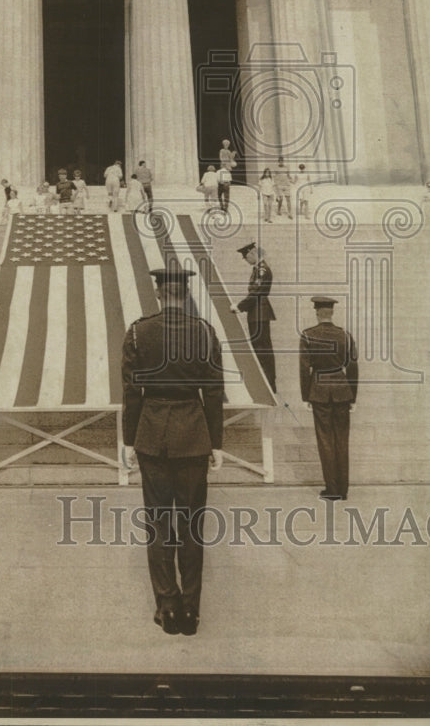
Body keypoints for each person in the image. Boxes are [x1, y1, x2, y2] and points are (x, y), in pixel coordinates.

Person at [122, 267, 224, 636]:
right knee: (192, 525)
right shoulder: (204, 332)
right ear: (185, 294)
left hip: (152, 434)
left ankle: (167, 607)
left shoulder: (139, 331)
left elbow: (132, 391)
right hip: (194, 435)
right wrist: (216, 443)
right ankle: (191, 612)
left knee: (159, 523)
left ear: (160, 294)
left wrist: (129, 440)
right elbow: (213, 391)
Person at [299, 296, 358, 502]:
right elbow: (352, 367)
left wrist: (306, 395)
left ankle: (331, 489)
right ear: (331, 313)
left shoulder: (308, 335)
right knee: (342, 440)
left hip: (319, 390)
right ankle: (343, 489)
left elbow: (304, 369)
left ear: (317, 312)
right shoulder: (345, 335)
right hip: (342, 389)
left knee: (325, 440)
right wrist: (353, 397)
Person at [231, 242, 276, 392]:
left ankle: (268, 384)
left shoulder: (262, 270)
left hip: (259, 313)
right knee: (260, 349)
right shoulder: (258, 269)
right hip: (257, 313)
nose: (246, 260)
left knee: (262, 349)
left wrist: (239, 306)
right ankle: (266, 383)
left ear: (251, 253)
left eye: (246, 257)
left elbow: (256, 293)